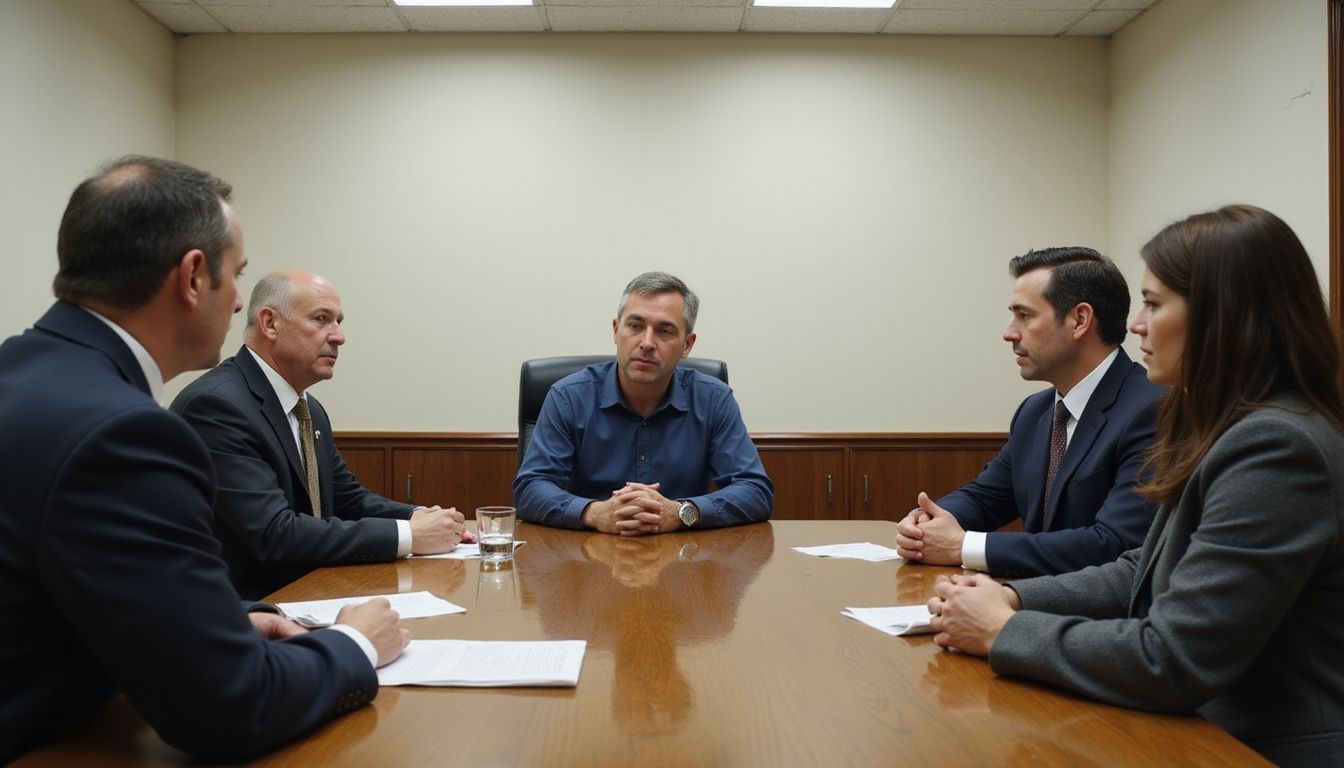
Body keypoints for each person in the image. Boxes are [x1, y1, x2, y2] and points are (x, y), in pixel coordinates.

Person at [0, 156, 409, 763]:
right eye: (235, 275)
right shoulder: (125, 433)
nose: (239, 298)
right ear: (193, 277)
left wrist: (231, 616)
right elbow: (233, 708)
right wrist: (356, 643)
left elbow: (63, 587)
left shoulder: (21, 369)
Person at [927, 205, 1344, 766]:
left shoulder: (1277, 445)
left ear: (1222, 314)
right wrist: (1015, 594)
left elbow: (1174, 657)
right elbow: (1139, 569)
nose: (1137, 325)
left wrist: (1007, 630)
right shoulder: (1227, 423)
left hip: (1255, 745)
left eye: (1153, 304)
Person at [171, 271, 472, 600]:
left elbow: (348, 499)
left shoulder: (308, 408)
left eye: (339, 322)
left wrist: (422, 517)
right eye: (321, 319)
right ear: (270, 323)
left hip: (308, 593)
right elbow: (275, 534)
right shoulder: (217, 407)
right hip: (246, 611)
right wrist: (410, 535)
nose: (339, 337)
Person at [896, 247, 1162, 576]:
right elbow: (985, 496)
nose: (1009, 332)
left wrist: (962, 546)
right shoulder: (1035, 412)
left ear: (1079, 320)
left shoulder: (1153, 409)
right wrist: (929, 523)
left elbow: (1115, 543)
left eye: (1025, 316)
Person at [513, 271, 773, 534]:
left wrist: (681, 512)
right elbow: (531, 488)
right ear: (616, 331)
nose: (647, 343)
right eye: (635, 326)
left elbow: (755, 491)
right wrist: (594, 513)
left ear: (687, 345)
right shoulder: (568, 397)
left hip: (685, 563)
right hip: (588, 554)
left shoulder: (713, 400)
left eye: (665, 331)